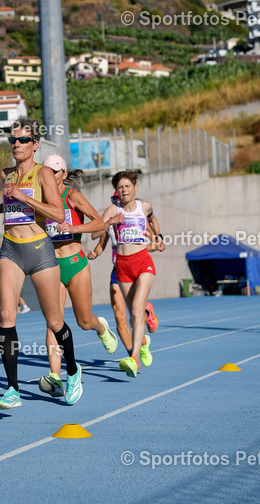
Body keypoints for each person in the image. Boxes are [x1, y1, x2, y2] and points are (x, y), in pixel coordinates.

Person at [0, 119, 82, 409]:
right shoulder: (8, 175)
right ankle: (12, 389)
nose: (16, 144)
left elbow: (58, 214)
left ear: (35, 145)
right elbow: (13, 204)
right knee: (6, 317)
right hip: (10, 249)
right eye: (13, 140)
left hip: (39, 250)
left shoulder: (44, 174)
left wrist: (23, 196)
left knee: (54, 321)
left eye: (23, 140)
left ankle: (73, 371)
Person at [38, 155, 116, 397]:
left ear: (63, 174)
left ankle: (100, 327)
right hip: (51, 265)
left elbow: (99, 224)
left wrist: (74, 228)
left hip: (75, 265)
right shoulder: (41, 198)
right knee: (53, 322)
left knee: (83, 322)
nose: (49, 175)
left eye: (54, 171)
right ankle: (55, 376)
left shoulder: (71, 196)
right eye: (46, 171)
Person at [99, 171, 165, 378]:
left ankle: (133, 359)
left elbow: (152, 220)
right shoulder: (113, 210)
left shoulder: (144, 207)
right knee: (133, 316)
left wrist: (159, 237)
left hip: (143, 262)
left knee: (136, 311)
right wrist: (110, 222)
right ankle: (143, 337)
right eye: (120, 187)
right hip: (122, 266)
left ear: (135, 188)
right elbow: (96, 233)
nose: (124, 190)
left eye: (127, 186)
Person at [91, 191, 160, 356]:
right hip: (118, 269)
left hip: (137, 265)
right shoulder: (110, 222)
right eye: (113, 200)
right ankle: (132, 356)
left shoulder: (138, 219)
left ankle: (147, 313)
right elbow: (100, 244)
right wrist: (95, 253)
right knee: (119, 314)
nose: (117, 203)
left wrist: (139, 248)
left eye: (118, 200)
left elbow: (155, 242)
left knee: (134, 316)